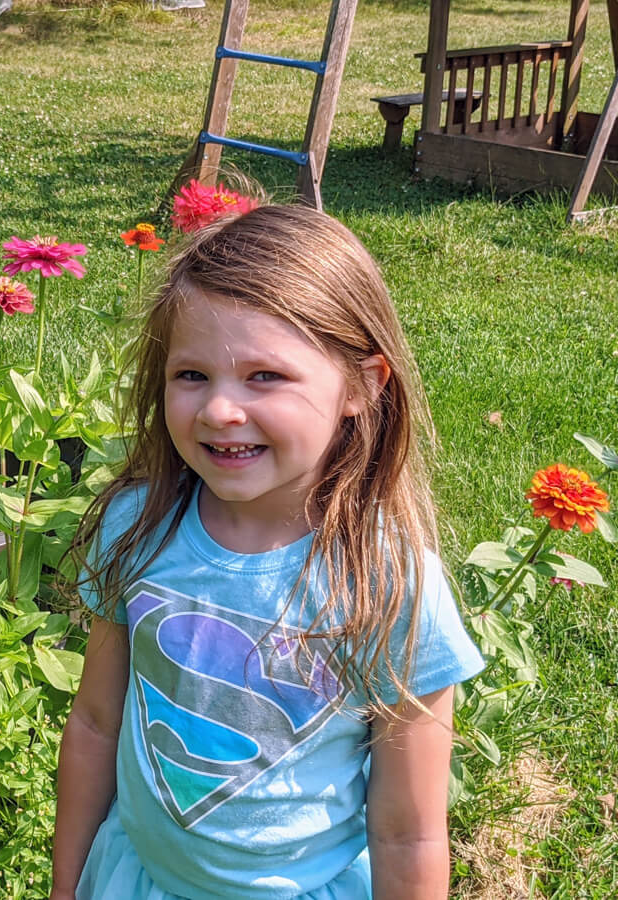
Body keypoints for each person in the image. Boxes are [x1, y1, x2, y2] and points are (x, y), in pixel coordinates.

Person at [51, 204, 485, 900]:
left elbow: (409, 831)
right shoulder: (139, 525)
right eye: (192, 375)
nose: (220, 409)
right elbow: (97, 724)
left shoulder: (388, 584)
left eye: (264, 377)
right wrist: (66, 885)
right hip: (138, 881)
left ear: (362, 386)